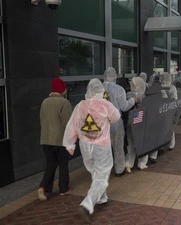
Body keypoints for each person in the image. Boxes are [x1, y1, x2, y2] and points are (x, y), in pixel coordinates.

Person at [63, 78, 120, 224]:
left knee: (95, 171)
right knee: (102, 174)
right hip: (101, 145)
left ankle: (101, 198)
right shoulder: (105, 104)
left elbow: (72, 125)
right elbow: (116, 117)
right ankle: (87, 204)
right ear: (101, 90)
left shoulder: (80, 105)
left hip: (85, 146)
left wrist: (70, 144)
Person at [38, 78, 73, 200]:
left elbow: (42, 121)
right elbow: (67, 124)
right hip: (60, 140)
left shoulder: (44, 102)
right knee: (63, 164)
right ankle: (63, 189)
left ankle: (44, 187)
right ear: (62, 89)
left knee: (51, 164)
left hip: (45, 139)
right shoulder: (64, 103)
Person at [103, 67, 139, 177]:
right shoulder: (119, 89)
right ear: (115, 76)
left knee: (104, 149)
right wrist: (133, 100)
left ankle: (104, 171)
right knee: (118, 147)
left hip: (102, 123)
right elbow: (124, 107)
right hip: (115, 123)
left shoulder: (98, 88)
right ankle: (119, 170)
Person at [148, 72, 178, 163]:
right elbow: (175, 99)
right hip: (168, 111)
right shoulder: (172, 88)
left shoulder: (158, 87)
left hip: (158, 112)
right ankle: (170, 145)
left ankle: (158, 149)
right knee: (169, 128)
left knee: (159, 131)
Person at [125, 77, 149, 173]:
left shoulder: (128, 94)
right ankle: (142, 163)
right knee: (143, 143)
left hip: (130, 122)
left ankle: (128, 163)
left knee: (131, 144)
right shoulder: (144, 96)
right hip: (142, 122)